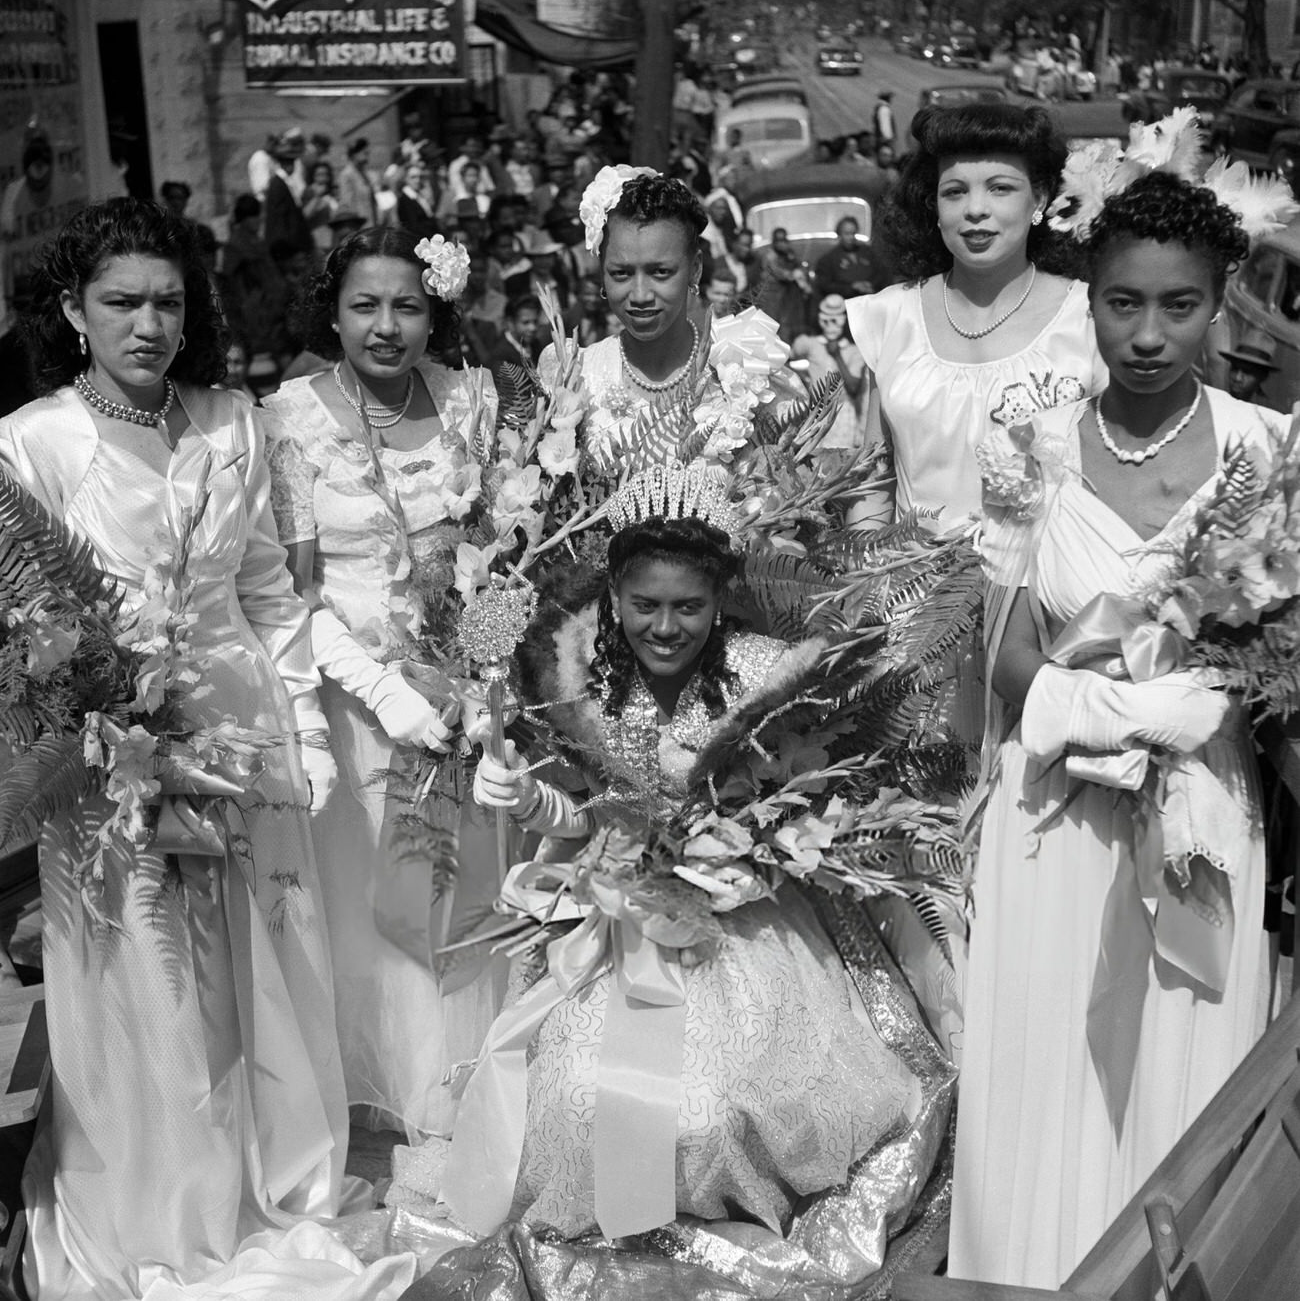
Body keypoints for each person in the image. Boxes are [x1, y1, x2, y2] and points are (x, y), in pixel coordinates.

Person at [1, 197, 412, 1298]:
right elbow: (20, 622)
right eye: (121, 302)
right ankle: (165, 1200)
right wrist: (84, 731)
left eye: (168, 302)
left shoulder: (233, 418)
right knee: (148, 976)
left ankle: (273, 1175)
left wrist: (305, 722)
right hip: (107, 750)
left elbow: (273, 588)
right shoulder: (35, 440)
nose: (148, 324)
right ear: (72, 312)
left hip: (249, 734)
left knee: (264, 963)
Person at [420, 474, 919, 1248]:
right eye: (644, 604)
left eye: (688, 606)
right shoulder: (577, 681)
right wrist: (522, 798)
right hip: (614, 911)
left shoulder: (765, 675)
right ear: (614, 595)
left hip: (742, 920)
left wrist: (750, 857)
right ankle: (622, 1215)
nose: (665, 626)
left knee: (716, 1109)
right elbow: (579, 812)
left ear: (719, 599)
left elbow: (807, 801)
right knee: (581, 1098)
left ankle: (704, 1210)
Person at [951, 170, 1288, 1288]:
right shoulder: (1026, 445)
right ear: (1084, 300)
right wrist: (1104, 709)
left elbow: (1280, 655)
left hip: (1201, 807)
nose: (1147, 335)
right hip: (1055, 809)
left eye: (1178, 306)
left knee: (1188, 1060)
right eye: (1121, 305)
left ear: (1221, 302)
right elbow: (995, 646)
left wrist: (1200, 711)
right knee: (1044, 1058)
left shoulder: (1270, 450)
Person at [262, 227, 502, 1139]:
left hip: (464, 698)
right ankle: (393, 1103)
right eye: (365, 305)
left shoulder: (471, 401)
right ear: (333, 312)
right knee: (376, 910)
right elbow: (288, 590)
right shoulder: (290, 419)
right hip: (358, 706)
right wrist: (381, 688)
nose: (386, 326)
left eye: (407, 305)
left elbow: (506, 548)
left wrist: (474, 677)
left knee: (465, 888)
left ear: (433, 313)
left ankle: (470, 1092)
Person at [848, 103, 1105, 533]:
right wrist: (868, 580)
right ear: (934, 205)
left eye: (1000, 188)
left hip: (1040, 595)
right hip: (909, 593)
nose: (975, 209)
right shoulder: (890, 317)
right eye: (955, 192)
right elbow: (873, 483)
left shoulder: (1088, 319)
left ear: (1039, 198)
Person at [540, 169, 802, 473]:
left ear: (695, 270)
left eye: (660, 272)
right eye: (620, 273)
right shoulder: (574, 374)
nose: (639, 295)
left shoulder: (745, 373)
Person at [791, 292, 868, 449]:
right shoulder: (810, 344)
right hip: (814, 411)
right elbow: (785, 357)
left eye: (836, 320)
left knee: (837, 458)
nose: (831, 326)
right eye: (826, 320)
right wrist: (802, 381)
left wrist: (837, 355)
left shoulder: (855, 351)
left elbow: (853, 386)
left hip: (842, 412)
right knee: (811, 456)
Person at [813, 214, 885, 301]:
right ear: (839, 234)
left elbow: (881, 272)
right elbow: (825, 285)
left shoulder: (868, 252)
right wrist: (852, 287)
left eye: (853, 233)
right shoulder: (828, 259)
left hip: (870, 299)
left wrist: (870, 284)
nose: (850, 237)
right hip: (845, 304)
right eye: (847, 234)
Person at [337, 138, 379, 229]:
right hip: (358, 226)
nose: (367, 157)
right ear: (354, 154)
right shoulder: (346, 175)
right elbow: (346, 203)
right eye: (365, 153)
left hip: (371, 224)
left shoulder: (365, 174)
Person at [1222, 336, 1278, 403]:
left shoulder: (1265, 411)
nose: (1237, 378)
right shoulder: (1217, 399)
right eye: (1234, 368)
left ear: (1263, 376)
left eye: (1247, 372)